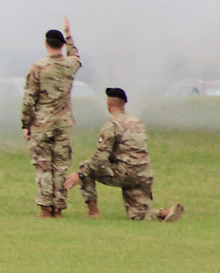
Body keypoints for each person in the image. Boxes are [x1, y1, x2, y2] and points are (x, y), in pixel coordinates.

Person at [62, 88, 184, 222]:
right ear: (124, 104)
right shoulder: (138, 122)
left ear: (108, 104)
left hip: (125, 173)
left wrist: (80, 175)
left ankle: (93, 212)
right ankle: (165, 213)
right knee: (138, 216)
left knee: (85, 166)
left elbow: (100, 158)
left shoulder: (112, 125)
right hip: (143, 174)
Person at [21, 18, 81, 218]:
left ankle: (45, 207)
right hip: (63, 123)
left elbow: (29, 99)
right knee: (61, 166)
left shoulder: (37, 68)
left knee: (43, 166)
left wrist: (25, 124)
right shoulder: (70, 65)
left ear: (46, 44)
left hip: (41, 123)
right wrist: (69, 34)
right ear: (62, 45)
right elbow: (76, 56)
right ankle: (58, 206)